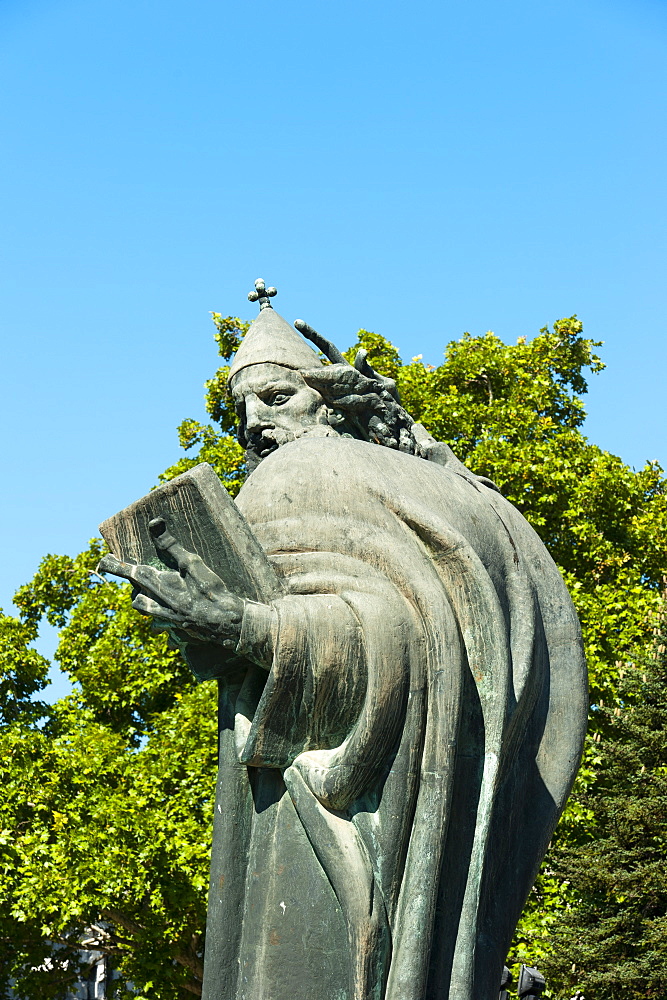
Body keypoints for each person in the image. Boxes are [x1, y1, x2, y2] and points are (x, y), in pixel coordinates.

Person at [99, 282, 587, 1000]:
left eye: (276, 398)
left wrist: (241, 626)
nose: (255, 425)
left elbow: (388, 629)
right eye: (242, 409)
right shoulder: (433, 483)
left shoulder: (296, 476)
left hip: (325, 796)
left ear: (326, 399)